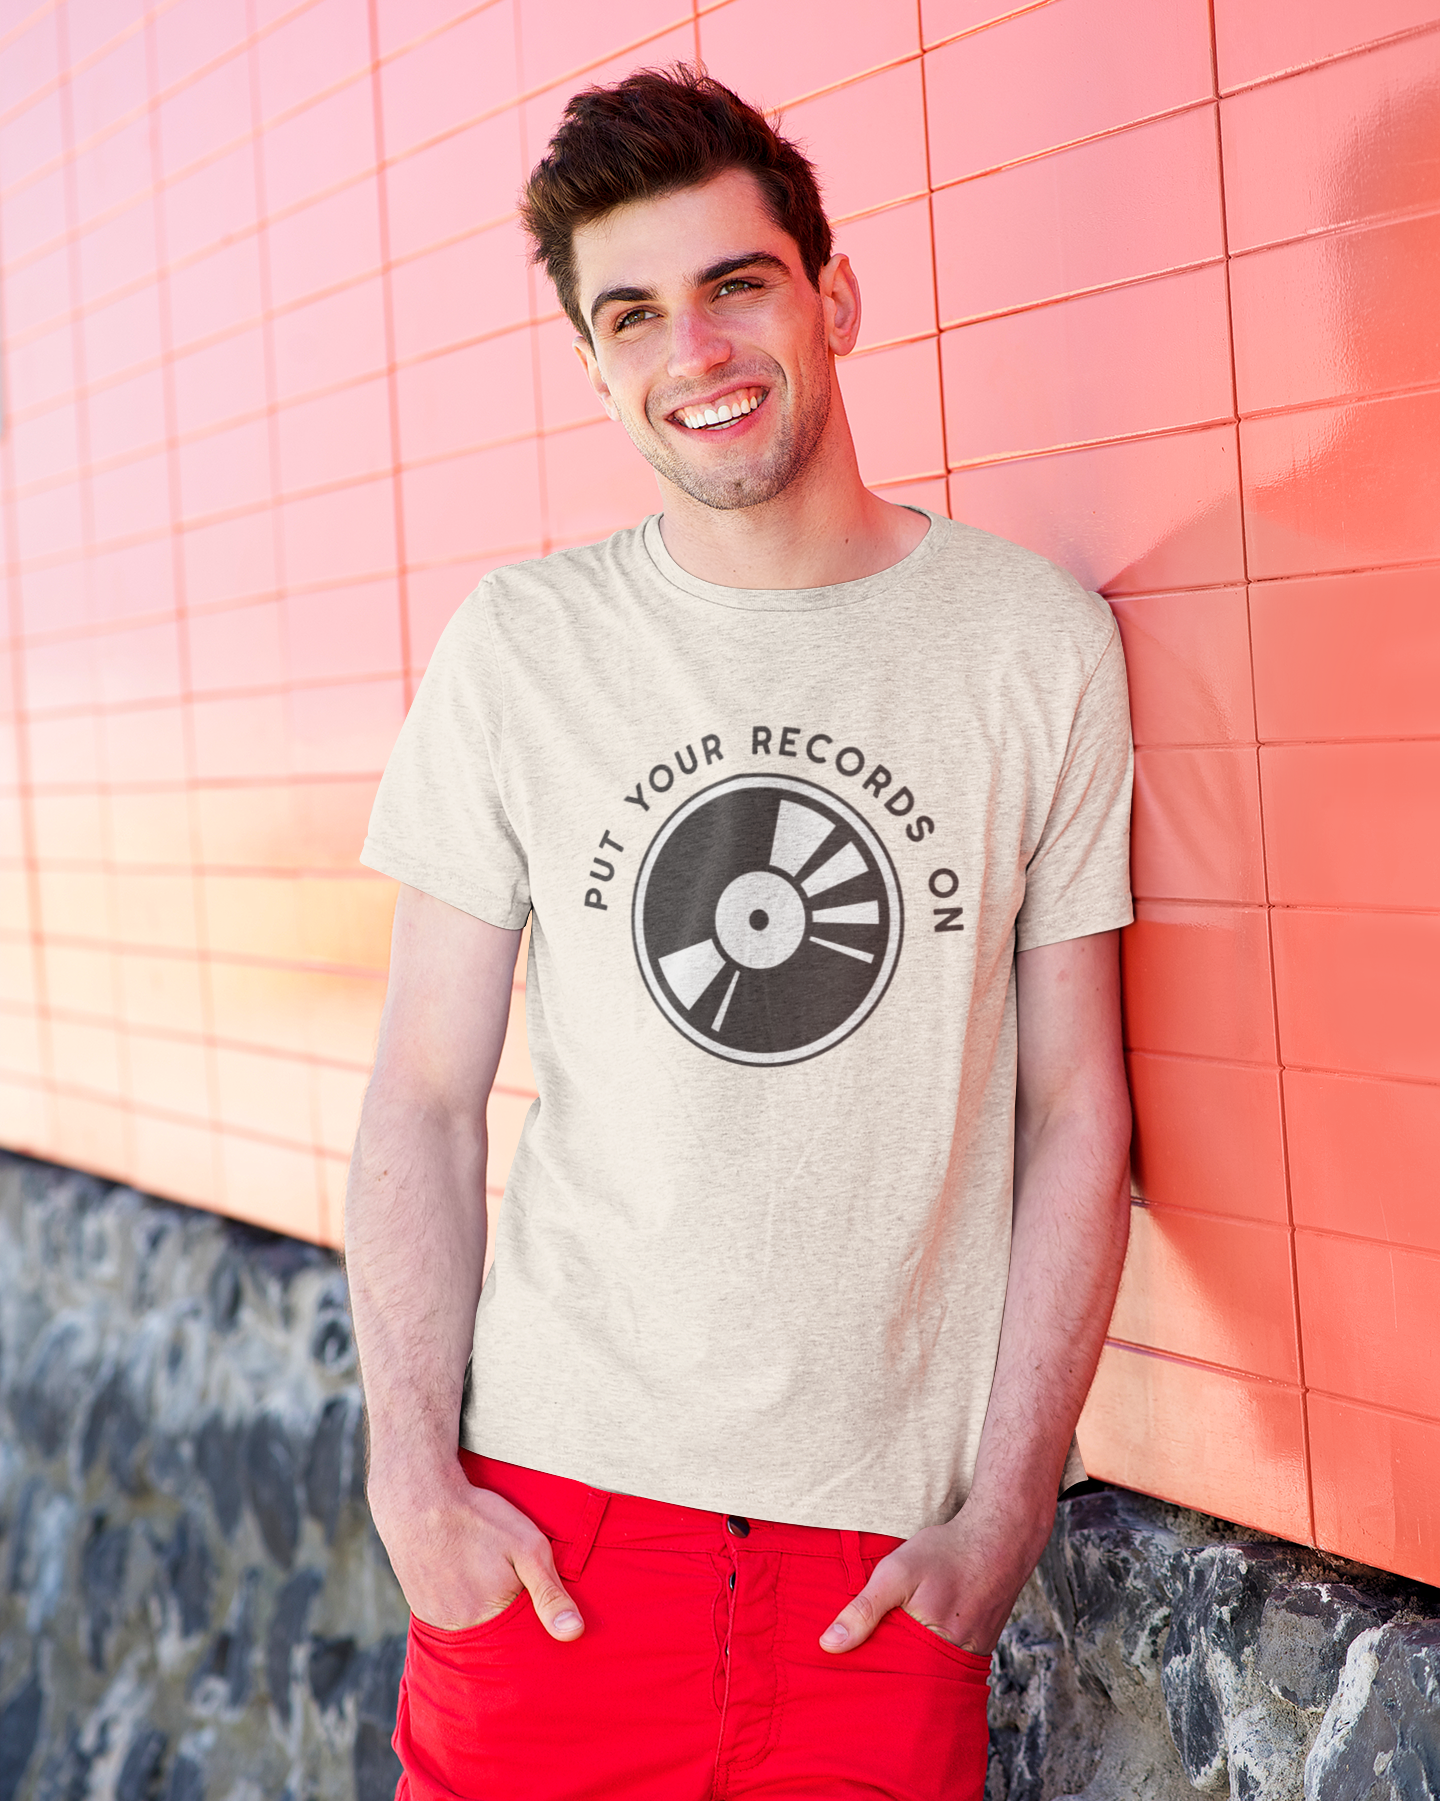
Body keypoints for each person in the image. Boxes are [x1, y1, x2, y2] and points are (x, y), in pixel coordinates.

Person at [348, 65, 1134, 1801]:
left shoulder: (1035, 646)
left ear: (831, 293)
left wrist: (1003, 1517)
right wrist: (416, 1480)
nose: (691, 352)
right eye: (631, 314)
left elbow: (1080, 1106)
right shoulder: (523, 648)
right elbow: (420, 1087)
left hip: (875, 1577)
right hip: (549, 1548)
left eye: (736, 283)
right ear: (592, 364)